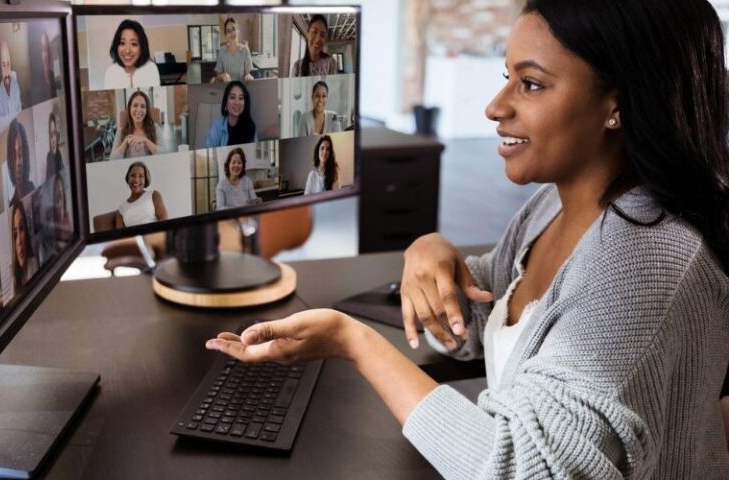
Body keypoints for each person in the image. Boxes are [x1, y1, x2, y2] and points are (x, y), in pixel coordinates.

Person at [207, 1, 729, 478]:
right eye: (507, 77)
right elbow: (486, 321)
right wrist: (430, 255)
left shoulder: (648, 261)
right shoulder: (552, 205)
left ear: (617, 104)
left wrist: (354, 342)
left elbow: (520, 470)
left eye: (531, 84)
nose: (495, 106)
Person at [103, 20, 160, 90]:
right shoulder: (110, 73)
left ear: (142, 47)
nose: (127, 50)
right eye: (122, 43)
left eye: (134, 44)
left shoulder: (151, 69)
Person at [115, 161, 168, 228]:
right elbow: (120, 236)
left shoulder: (154, 195)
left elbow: (164, 221)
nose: (136, 180)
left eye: (141, 176)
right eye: (133, 176)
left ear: (145, 179)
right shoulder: (120, 210)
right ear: (127, 178)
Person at [110, 91, 163, 159]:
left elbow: (165, 153)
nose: (139, 110)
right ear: (129, 109)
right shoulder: (121, 131)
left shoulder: (155, 128)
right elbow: (112, 159)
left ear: (146, 110)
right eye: (135, 105)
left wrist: (145, 140)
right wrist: (125, 142)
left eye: (143, 106)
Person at [204, 81, 256, 148]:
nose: (237, 102)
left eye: (241, 98)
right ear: (226, 101)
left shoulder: (251, 126)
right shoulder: (216, 127)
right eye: (232, 97)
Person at [211, 17, 253, 84]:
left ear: (238, 31)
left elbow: (248, 73)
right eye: (228, 31)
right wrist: (222, 76)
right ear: (226, 35)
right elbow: (218, 74)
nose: (231, 33)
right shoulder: (221, 51)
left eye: (233, 29)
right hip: (226, 89)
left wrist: (248, 76)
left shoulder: (245, 50)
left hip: (241, 88)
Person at [10, 199, 38, 291]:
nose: (19, 242)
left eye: (21, 228)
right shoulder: (12, 280)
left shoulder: (34, 263)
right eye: (15, 234)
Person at [6, 119, 35, 203]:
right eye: (14, 156)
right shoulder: (11, 204)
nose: (18, 163)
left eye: (20, 154)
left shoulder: (33, 190)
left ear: (25, 156)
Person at [0, 40, 22, 118]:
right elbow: (1, 117)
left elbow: (19, 108)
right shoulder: (0, 92)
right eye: (4, 65)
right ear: (1, 68)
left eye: (8, 64)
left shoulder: (16, 85)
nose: (6, 69)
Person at [45, 111, 63, 178]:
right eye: (51, 134)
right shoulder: (49, 156)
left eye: (54, 133)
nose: (53, 139)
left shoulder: (59, 153)